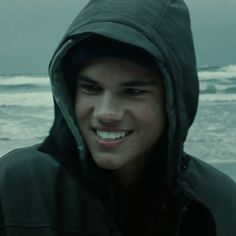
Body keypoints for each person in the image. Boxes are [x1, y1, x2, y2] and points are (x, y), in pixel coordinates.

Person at [0, 0, 235, 235]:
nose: (106, 113)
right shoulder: (13, 187)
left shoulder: (219, 204)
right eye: (91, 88)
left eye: (132, 92)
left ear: (172, 100)